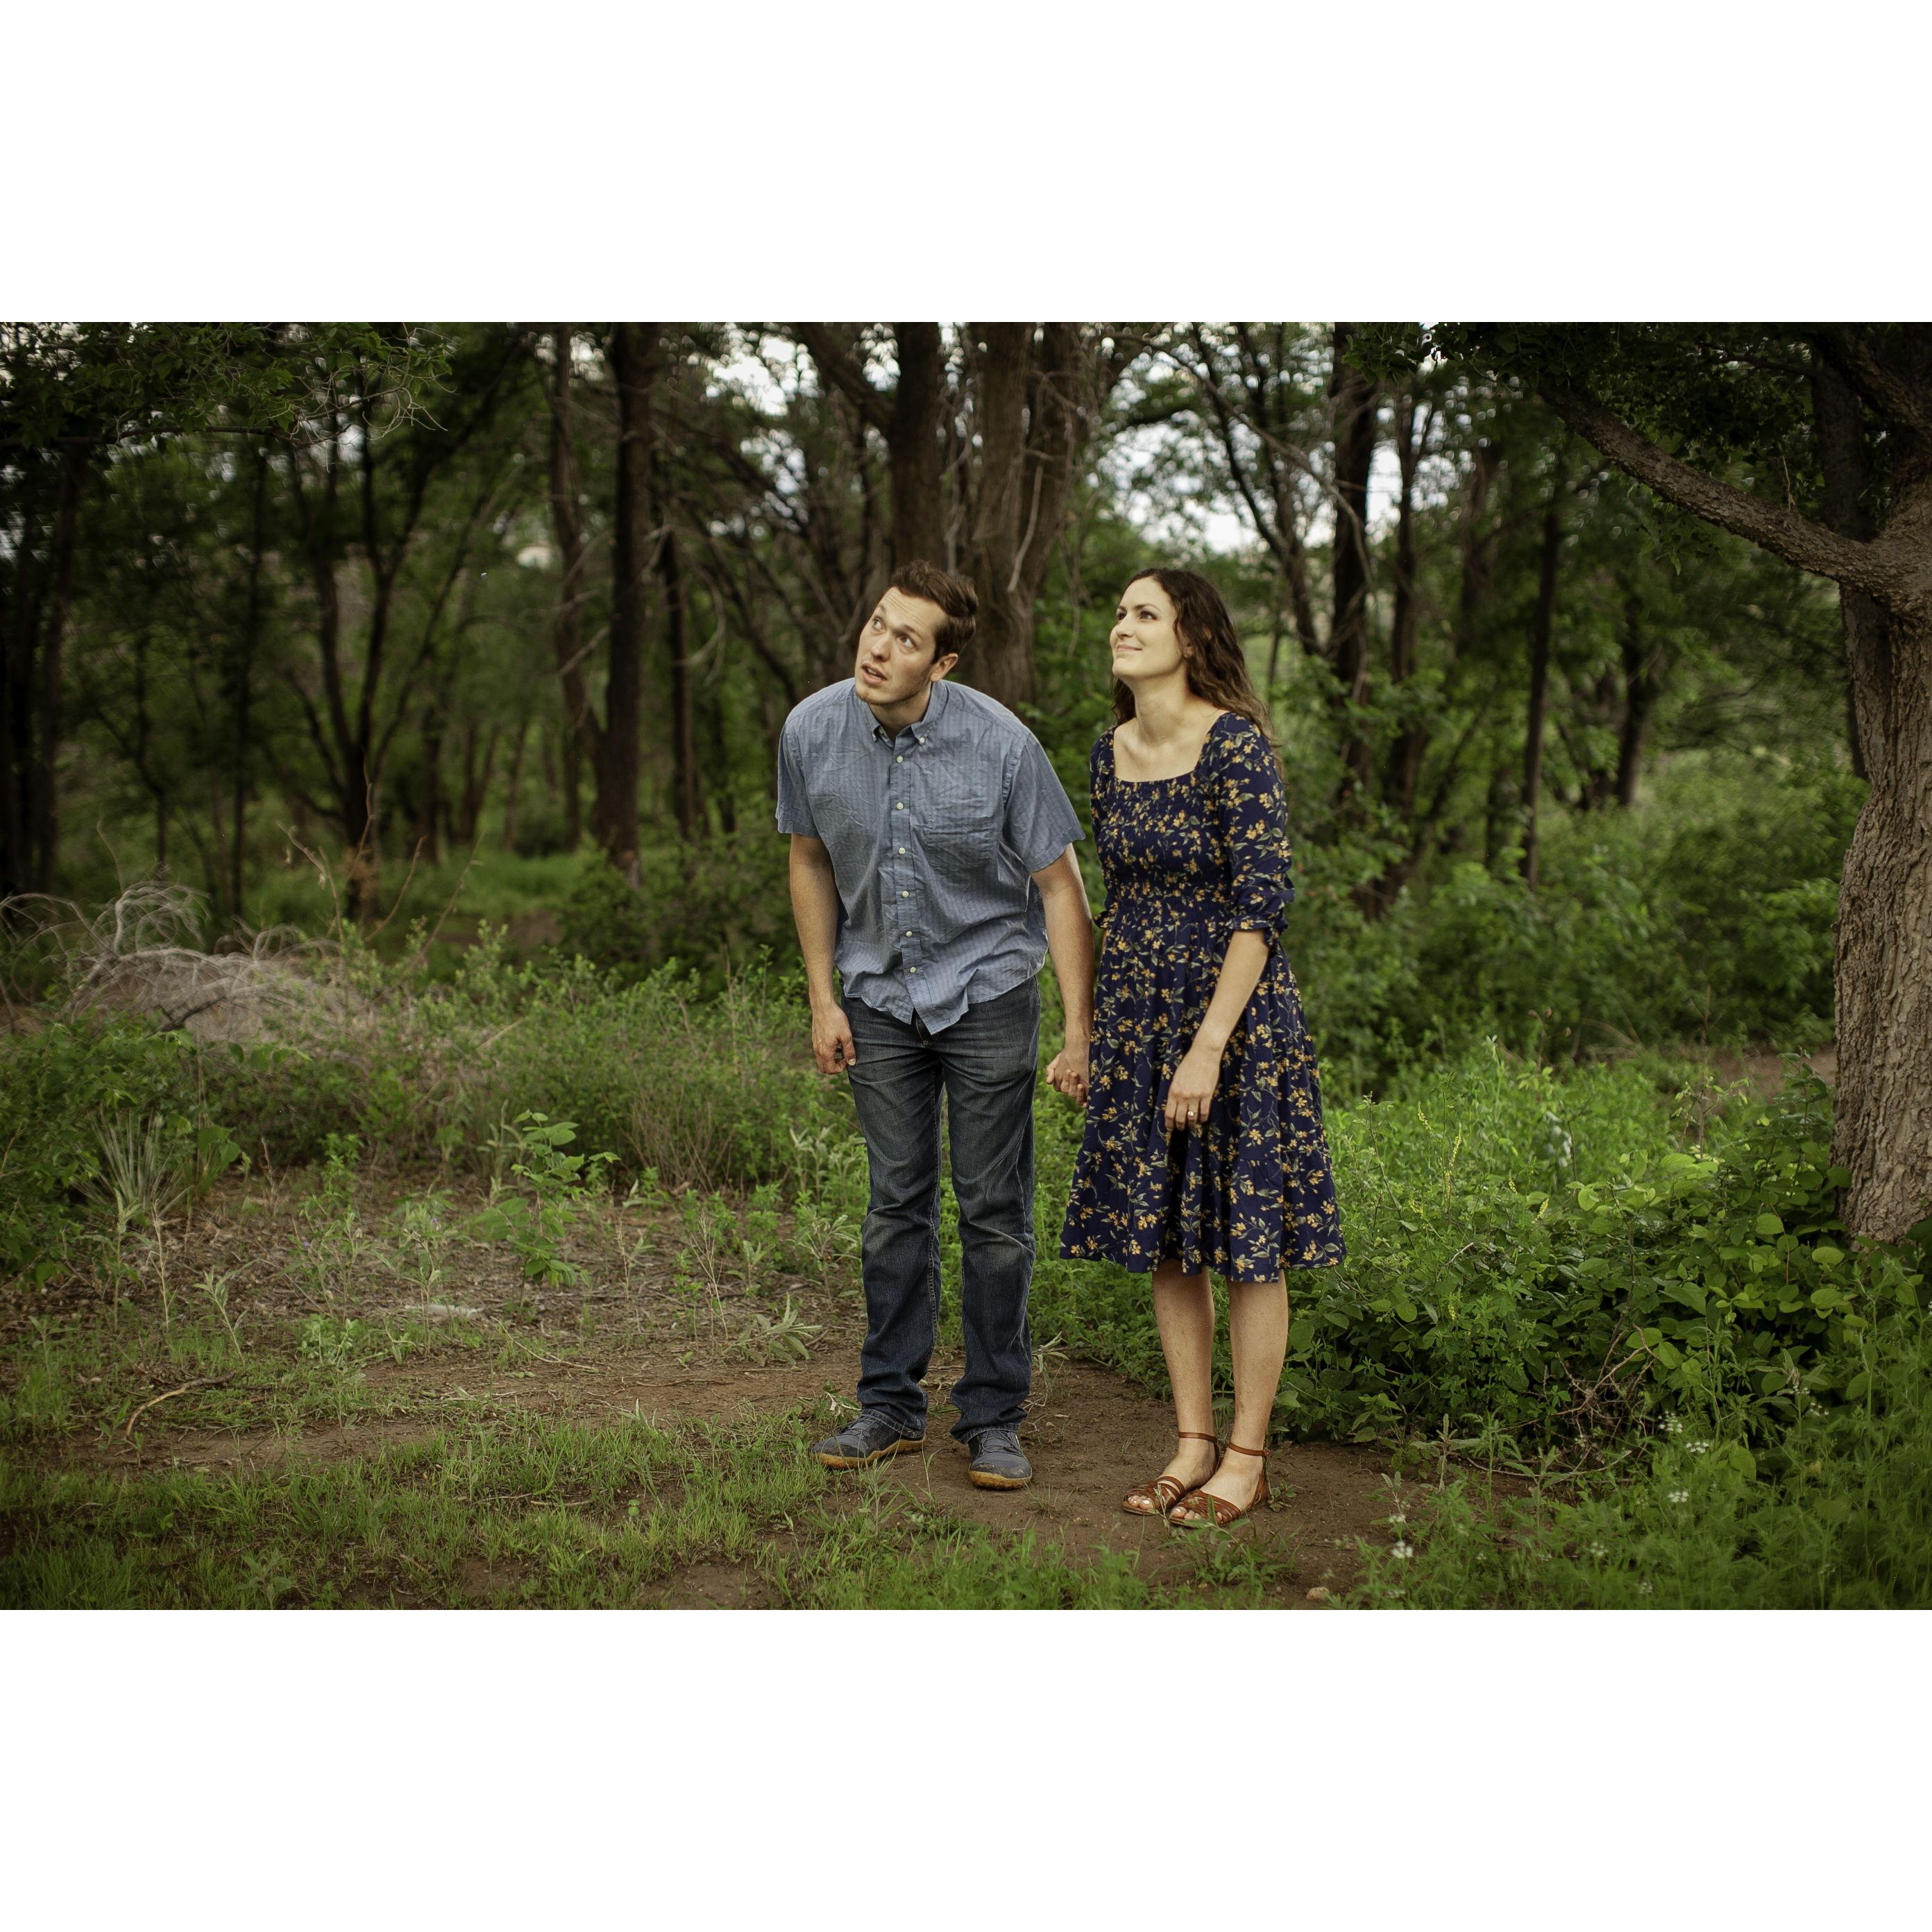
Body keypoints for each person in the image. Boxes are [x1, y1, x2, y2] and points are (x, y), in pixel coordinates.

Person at [777, 561, 1094, 1491]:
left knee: (994, 1213)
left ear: (942, 663)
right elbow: (808, 858)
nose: (878, 647)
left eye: (906, 638)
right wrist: (822, 997)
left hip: (988, 993)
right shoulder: (810, 729)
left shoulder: (1003, 745)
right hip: (877, 998)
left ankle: (992, 1415)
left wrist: (1078, 1030)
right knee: (894, 1208)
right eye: (879, 622)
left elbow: (1060, 886)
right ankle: (890, 1406)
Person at [1055, 566, 1344, 1527]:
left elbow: (1263, 908)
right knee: (1167, 1239)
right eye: (1119, 612)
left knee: (1249, 1242)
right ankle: (1191, 1443)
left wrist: (1209, 1047)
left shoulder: (1235, 747)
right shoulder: (1109, 755)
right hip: (1139, 1017)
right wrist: (1089, 1034)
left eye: (1146, 613)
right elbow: (1115, 900)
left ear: (1193, 636)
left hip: (1234, 1020)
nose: (1122, 626)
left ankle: (1247, 1457)